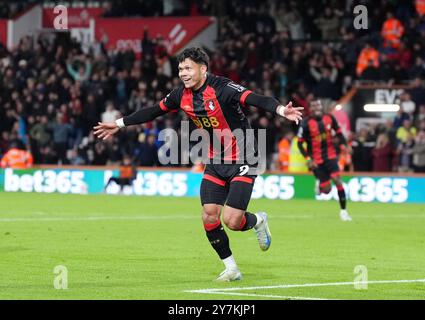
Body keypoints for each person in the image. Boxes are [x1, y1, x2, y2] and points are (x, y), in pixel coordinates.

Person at [94, 47, 303, 282]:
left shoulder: (222, 88)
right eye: (180, 68)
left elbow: (254, 98)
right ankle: (232, 268)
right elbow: (153, 111)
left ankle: (259, 220)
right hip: (215, 159)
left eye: (188, 68)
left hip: (244, 157)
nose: (183, 73)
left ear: (203, 69)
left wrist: (280, 110)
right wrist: (119, 124)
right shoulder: (179, 95)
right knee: (209, 216)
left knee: (233, 221)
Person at [297, 100, 352, 222]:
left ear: (321, 107)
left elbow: (339, 133)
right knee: (327, 191)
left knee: (338, 181)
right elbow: (300, 144)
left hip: (331, 156)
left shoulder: (330, 118)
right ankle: (319, 182)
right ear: (310, 109)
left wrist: (345, 145)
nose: (316, 107)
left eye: (318, 105)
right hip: (316, 160)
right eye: (313, 106)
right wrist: (308, 159)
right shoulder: (305, 123)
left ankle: (343, 211)